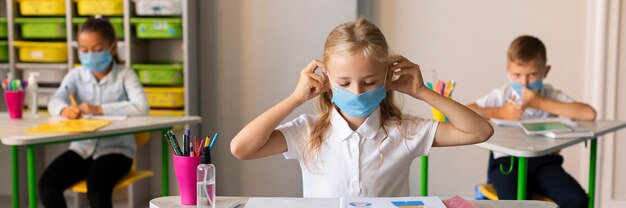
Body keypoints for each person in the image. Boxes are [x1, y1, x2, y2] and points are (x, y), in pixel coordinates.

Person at [231, 17, 493, 197]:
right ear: (327, 79)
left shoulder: (404, 131)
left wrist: (420, 92)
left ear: (388, 77)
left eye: (369, 82)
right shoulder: (308, 132)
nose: (356, 91)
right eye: (344, 82)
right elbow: (241, 148)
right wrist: (296, 98)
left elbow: (480, 131)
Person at [467, 35, 596, 208]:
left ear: (546, 71)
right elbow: (466, 111)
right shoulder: (501, 95)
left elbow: (589, 113)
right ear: (508, 71)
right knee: (517, 203)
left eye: (532, 75)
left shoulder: (550, 95)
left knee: (576, 199)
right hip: (507, 163)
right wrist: (499, 112)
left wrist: (541, 103)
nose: (524, 82)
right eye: (517, 75)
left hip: (544, 163)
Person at [39, 17, 149, 208]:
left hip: (117, 151)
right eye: (84, 50)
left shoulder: (125, 75)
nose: (91, 55)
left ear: (112, 47)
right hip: (82, 149)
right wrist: (63, 109)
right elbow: (54, 100)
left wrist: (99, 109)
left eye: (97, 50)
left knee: (97, 189)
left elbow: (142, 107)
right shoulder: (75, 75)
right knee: (47, 184)